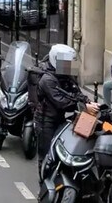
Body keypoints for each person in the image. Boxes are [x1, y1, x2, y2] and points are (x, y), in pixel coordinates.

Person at [30, 44, 97, 172]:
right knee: (46, 156)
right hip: (45, 122)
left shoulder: (64, 76)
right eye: (66, 62)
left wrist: (88, 101)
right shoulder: (47, 79)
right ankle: (44, 185)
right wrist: (83, 106)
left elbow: (75, 92)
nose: (69, 66)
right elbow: (62, 101)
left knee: (61, 152)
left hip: (59, 119)